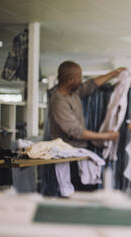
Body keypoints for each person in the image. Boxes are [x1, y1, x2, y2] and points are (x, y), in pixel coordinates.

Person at [49, 60, 125, 191]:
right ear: (70, 79)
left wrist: (113, 74)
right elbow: (77, 132)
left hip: (78, 152)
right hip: (68, 156)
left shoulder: (73, 93)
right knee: (77, 194)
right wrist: (107, 136)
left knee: (88, 189)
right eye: (79, 76)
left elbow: (91, 85)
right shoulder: (59, 102)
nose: (81, 80)